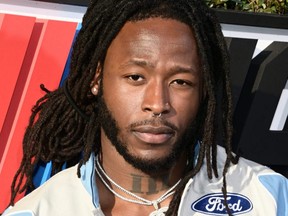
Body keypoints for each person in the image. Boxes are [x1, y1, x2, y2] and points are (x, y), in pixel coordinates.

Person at [3, 0, 288, 215]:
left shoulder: (270, 197)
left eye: (180, 81)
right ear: (96, 79)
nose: (157, 104)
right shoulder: (40, 210)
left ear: (203, 91)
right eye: (136, 77)